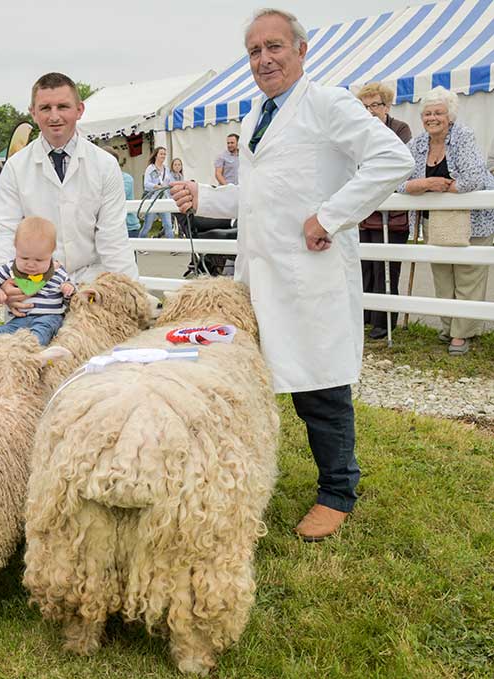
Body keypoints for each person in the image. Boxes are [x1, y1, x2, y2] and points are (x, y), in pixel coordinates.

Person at [170, 8, 413, 541]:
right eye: (255, 51)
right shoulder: (256, 114)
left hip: (311, 275)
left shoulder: (327, 104)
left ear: (301, 51)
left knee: (321, 388)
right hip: (261, 277)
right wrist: (205, 196)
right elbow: (257, 194)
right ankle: (252, 472)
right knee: (254, 382)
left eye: (274, 47)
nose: (264, 59)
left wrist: (329, 216)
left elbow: (393, 159)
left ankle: (337, 490)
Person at [0, 72, 137, 317]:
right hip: (33, 290)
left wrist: (130, 294)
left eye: (63, 106)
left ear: (79, 109)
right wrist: (5, 285)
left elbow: (114, 239)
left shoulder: (105, 165)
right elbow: (6, 232)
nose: (54, 116)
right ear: (33, 112)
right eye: (45, 108)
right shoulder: (15, 167)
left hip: (91, 284)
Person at [398, 86, 494, 356]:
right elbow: (398, 183)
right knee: (442, 276)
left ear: (449, 116)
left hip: (472, 219)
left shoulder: (463, 136)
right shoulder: (416, 144)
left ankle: (462, 334)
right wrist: (425, 183)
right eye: (427, 113)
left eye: (438, 113)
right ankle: (448, 325)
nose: (432, 118)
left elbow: (474, 179)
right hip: (435, 222)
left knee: (468, 276)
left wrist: (440, 187)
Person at [356, 82, 412, 340]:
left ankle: (384, 322)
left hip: (392, 212)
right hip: (365, 210)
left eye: (375, 105)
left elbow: (394, 162)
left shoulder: (400, 129)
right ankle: (366, 316)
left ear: (387, 106)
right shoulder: (359, 131)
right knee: (365, 264)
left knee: (386, 268)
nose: (370, 110)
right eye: (365, 106)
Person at [0, 217, 74, 346]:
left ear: (51, 252)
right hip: (20, 319)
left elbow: (70, 289)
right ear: (16, 248)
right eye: (24, 258)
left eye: (39, 260)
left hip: (49, 318)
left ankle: (28, 351)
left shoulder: (56, 270)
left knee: (40, 334)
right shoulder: (12, 268)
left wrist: (67, 288)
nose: (31, 265)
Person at [141, 147, 174, 238]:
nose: (163, 156)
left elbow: (170, 182)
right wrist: (157, 187)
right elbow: (146, 184)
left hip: (164, 199)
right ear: (156, 155)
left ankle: (173, 248)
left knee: (168, 225)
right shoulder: (150, 168)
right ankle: (139, 246)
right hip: (153, 200)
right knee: (147, 226)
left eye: (164, 154)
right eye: (161, 154)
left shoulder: (166, 169)